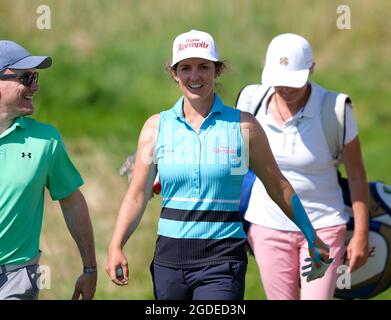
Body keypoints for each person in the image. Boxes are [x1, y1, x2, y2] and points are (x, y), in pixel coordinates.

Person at [106, 29, 332, 300]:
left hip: (222, 263)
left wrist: (311, 235)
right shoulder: (156, 128)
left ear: (217, 71)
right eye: (186, 68)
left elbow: (278, 186)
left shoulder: (243, 126)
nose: (195, 76)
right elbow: (137, 195)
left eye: (204, 67)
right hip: (169, 263)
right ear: (174, 73)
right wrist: (116, 244)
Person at [236, 33, 369, 300]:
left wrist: (361, 234)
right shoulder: (251, 101)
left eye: (293, 82)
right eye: (279, 81)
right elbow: (232, 163)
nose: (285, 89)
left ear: (311, 69)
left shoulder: (335, 109)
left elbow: (356, 175)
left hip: (324, 225)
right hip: (267, 225)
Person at [0, 40, 97, 300]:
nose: (36, 86)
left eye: (36, 77)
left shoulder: (46, 141)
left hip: (17, 278)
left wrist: (90, 268)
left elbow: (73, 202)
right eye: (27, 78)